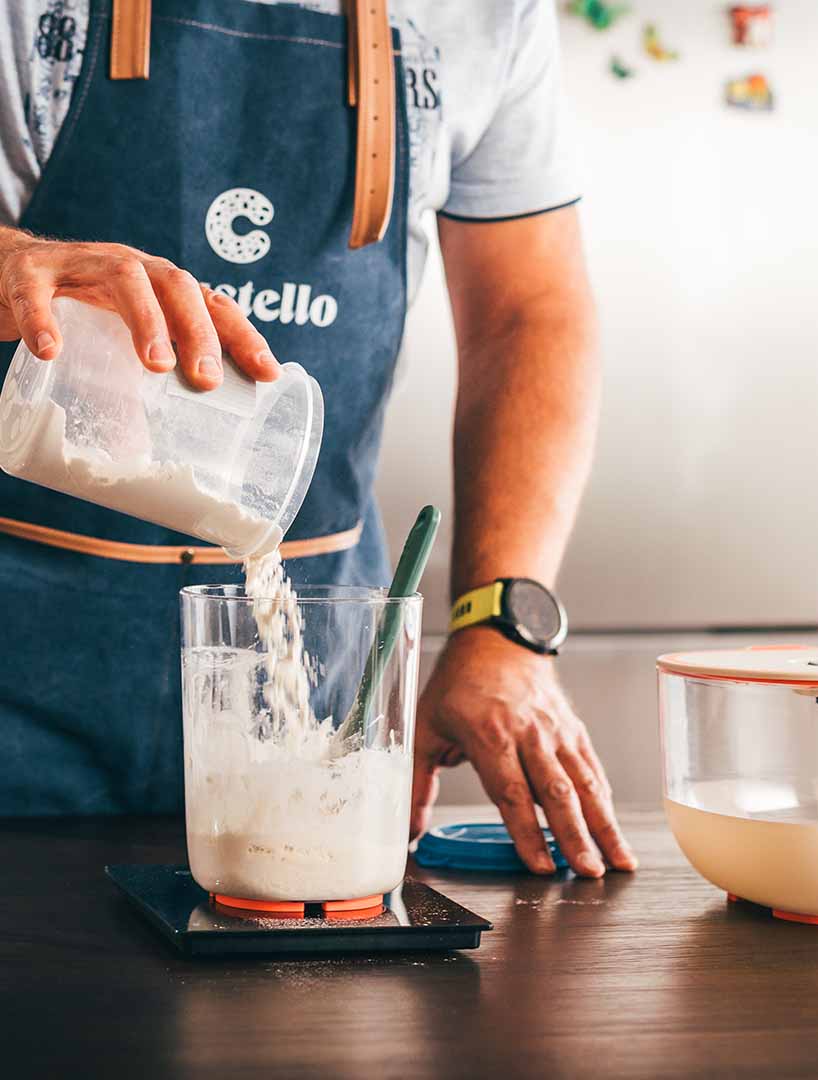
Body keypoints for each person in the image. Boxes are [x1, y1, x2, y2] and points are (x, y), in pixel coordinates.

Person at [0, 0, 636, 877]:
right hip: (22, 658)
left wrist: (500, 626)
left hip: (319, 650)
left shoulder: (488, 13)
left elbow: (528, 312)